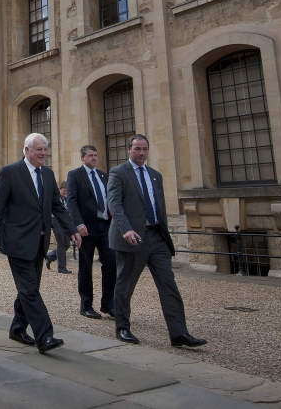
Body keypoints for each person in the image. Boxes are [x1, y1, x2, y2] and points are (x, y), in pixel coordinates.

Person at [108, 134, 206, 348]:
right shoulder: (118, 173)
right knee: (125, 285)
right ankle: (122, 328)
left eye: (144, 149)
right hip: (132, 238)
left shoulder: (155, 175)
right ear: (129, 150)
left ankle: (179, 333)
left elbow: (158, 206)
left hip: (157, 238)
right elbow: (114, 204)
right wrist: (126, 229)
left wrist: (165, 232)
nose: (141, 153)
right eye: (137, 149)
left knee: (169, 285)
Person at [0, 133, 80, 354]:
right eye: (39, 149)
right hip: (17, 241)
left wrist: (72, 229)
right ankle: (45, 336)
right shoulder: (9, 172)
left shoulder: (47, 174)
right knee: (29, 289)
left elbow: (57, 206)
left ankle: (18, 328)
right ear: (27, 150)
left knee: (29, 289)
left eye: (45, 149)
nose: (43, 153)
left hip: (40, 241)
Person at [66, 145, 116, 319]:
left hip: (105, 226)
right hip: (86, 228)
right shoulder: (75, 175)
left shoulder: (104, 175)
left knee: (111, 262)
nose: (94, 158)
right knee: (85, 266)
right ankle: (86, 305)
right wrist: (77, 224)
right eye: (90, 155)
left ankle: (108, 304)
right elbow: (71, 201)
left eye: (96, 155)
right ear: (82, 158)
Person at [45, 183, 72, 274]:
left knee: (67, 243)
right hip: (55, 220)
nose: (65, 192)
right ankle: (62, 267)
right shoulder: (56, 198)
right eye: (64, 190)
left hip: (65, 221)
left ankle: (50, 256)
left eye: (67, 190)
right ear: (59, 189)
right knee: (61, 243)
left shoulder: (66, 199)